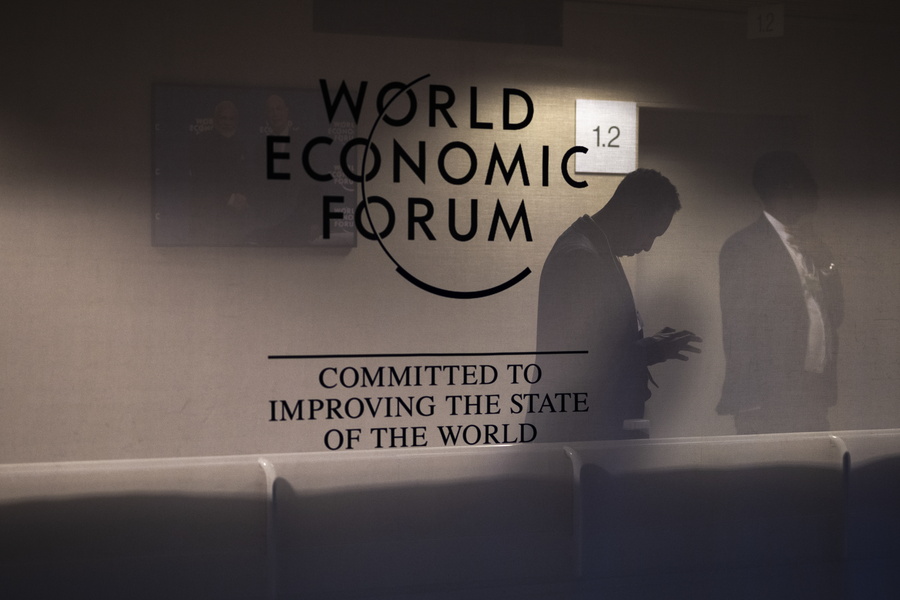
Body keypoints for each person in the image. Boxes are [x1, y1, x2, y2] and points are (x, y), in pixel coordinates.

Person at [529, 168, 701, 442]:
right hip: (581, 434)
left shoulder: (594, 250)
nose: (648, 246)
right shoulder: (580, 257)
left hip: (588, 431)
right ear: (631, 213)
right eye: (650, 233)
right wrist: (649, 350)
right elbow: (581, 361)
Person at [717, 151, 843, 434]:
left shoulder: (813, 245)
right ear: (788, 188)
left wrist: (825, 261)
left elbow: (836, 314)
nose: (816, 190)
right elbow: (739, 329)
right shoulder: (744, 247)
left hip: (812, 396)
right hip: (767, 403)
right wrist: (754, 403)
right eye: (808, 182)